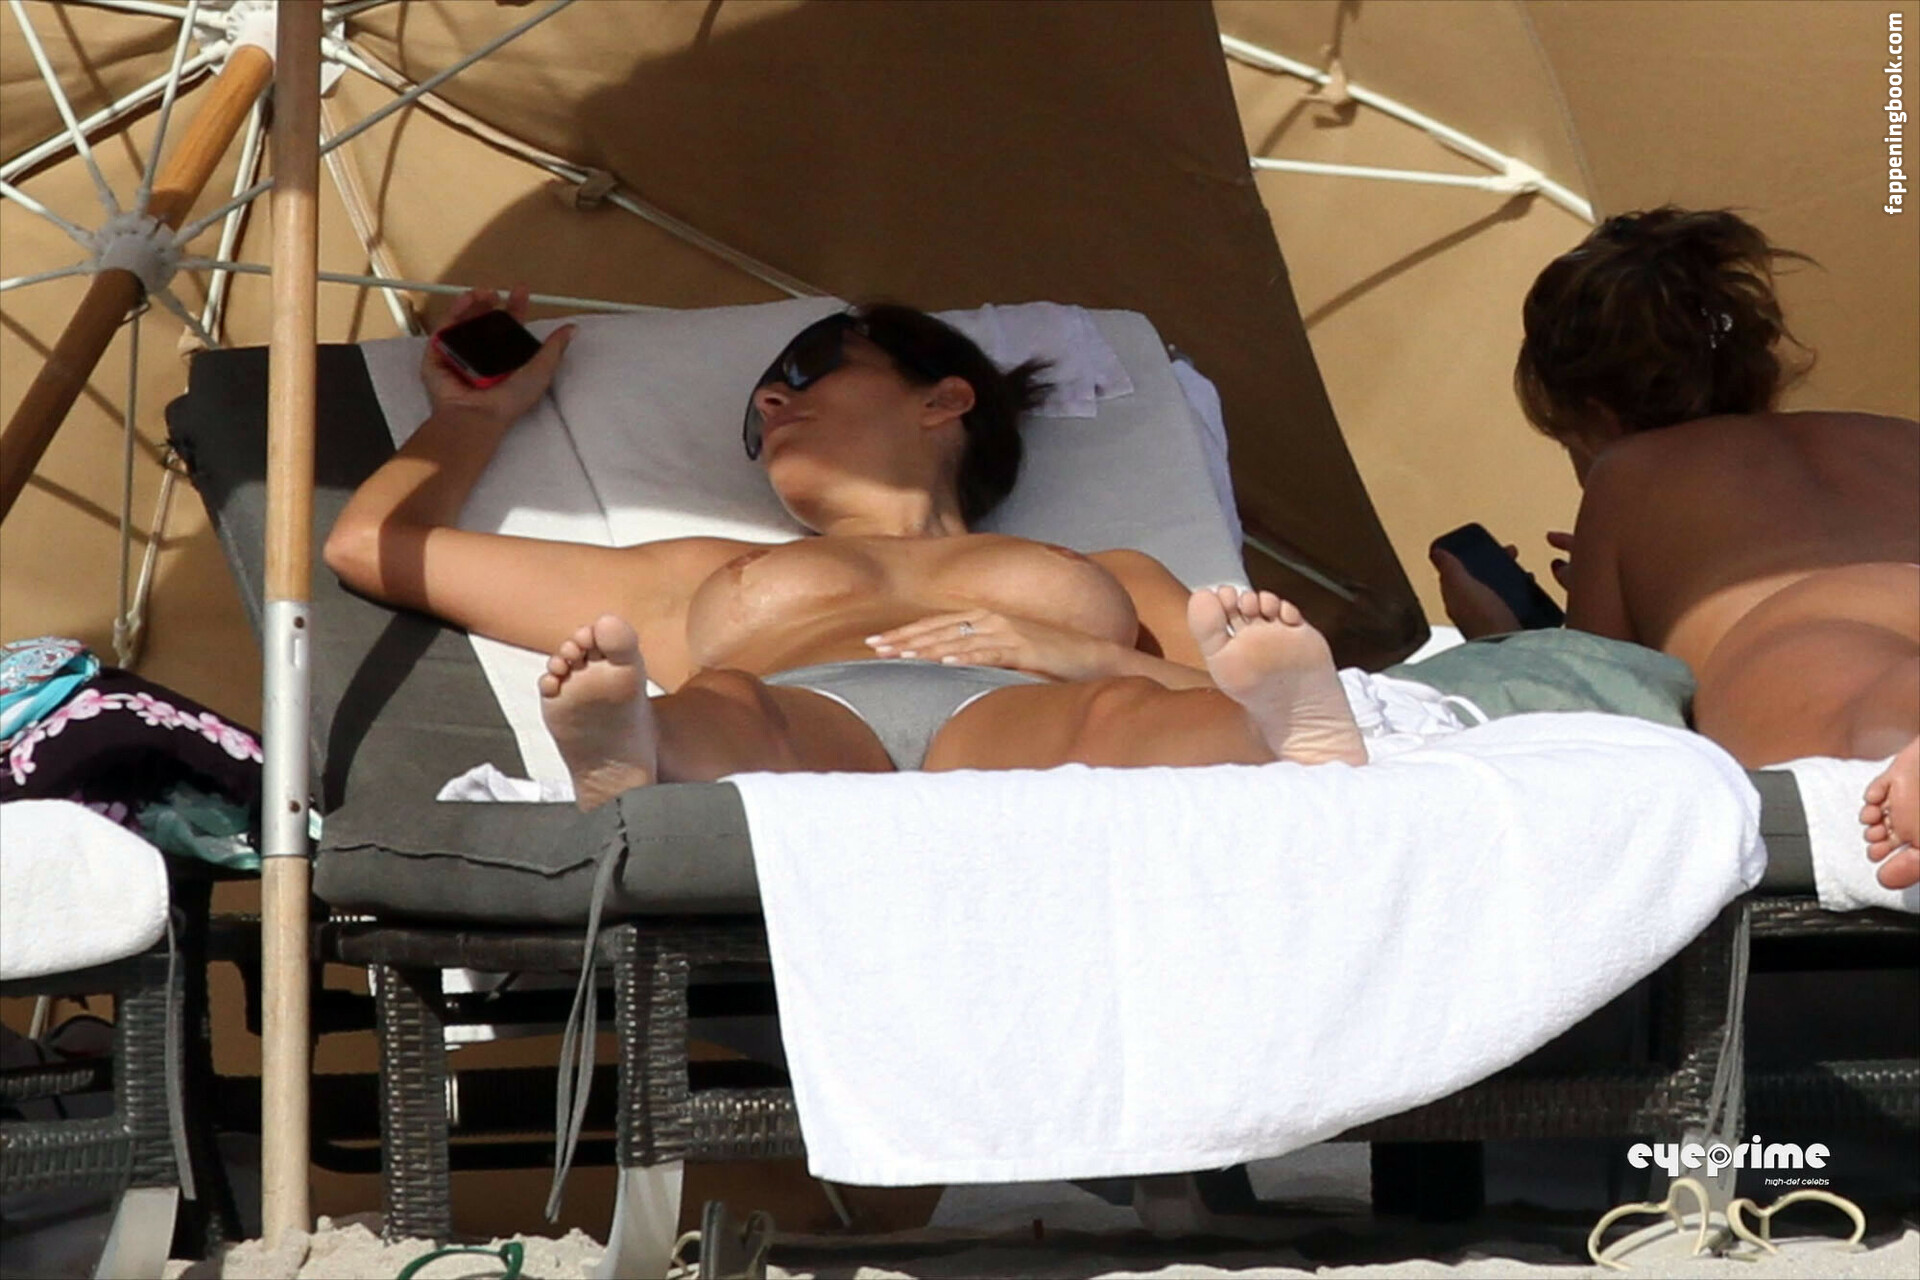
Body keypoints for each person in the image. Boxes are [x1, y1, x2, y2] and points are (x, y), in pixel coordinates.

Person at [323, 290, 1371, 815]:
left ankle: (1292, 745)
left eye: (807, 370)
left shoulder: (1113, 574)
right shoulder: (693, 571)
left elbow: (1216, 675)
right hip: (800, 714)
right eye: (759, 411)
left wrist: (1088, 655)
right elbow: (377, 543)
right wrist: (473, 416)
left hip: (1020, 719)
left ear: (944, 398)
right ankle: (631, 753)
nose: (772, 401)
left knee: (1128, 714)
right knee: (735, 705)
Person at [1429, 208, 1919, 889]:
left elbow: (1602, 694)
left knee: (1852, 716)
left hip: (1805, 632)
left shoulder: (1627, 472)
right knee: (1886, 690)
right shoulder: (1896, 434)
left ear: (1594, 415)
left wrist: (1506, 639)